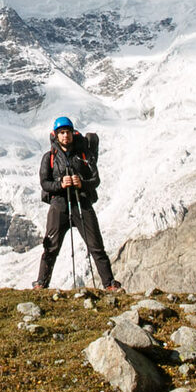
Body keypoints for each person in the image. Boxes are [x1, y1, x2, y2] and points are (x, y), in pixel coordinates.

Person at [35, 116, 118, 290]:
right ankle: (41, 283)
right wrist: (60, 184)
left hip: (82, 201)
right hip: (59, 204)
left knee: (96, 246)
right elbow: (44, 183)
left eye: (68, 132)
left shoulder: (84, 154)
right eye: (62, 133)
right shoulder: (49, 157)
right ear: (56, 135)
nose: (66, 136)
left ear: (73, 133)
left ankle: (109, 283)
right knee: (51, 247)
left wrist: (81, 183)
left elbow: (95, 180)